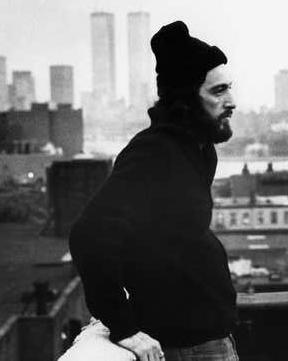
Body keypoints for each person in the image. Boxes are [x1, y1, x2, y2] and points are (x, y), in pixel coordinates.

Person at [69, 21, 239, 361]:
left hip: (209, 336)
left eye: (228, 88)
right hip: (183, 347)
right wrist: (124, 327)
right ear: (186, 99)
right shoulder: (154, 153)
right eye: (218, 91)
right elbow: (89, 234)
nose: (232, 101)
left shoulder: (199, 149)